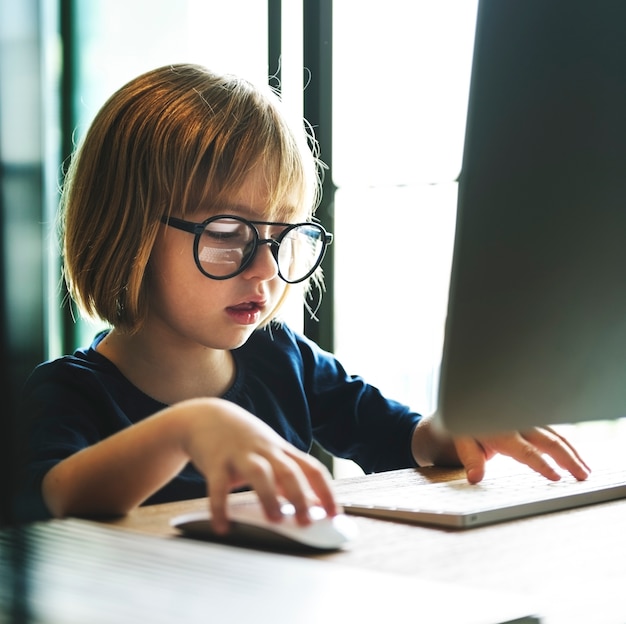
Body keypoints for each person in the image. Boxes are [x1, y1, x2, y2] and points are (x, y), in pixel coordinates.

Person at [14, 63, 590, 532]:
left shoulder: (281, 357)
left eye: (282, 237)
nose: (265, 269)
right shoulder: (68, 393)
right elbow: (59, 499)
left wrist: (464, 425)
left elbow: (402, 440)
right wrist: (188, 428)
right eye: (226, 234)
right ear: (126, 228)